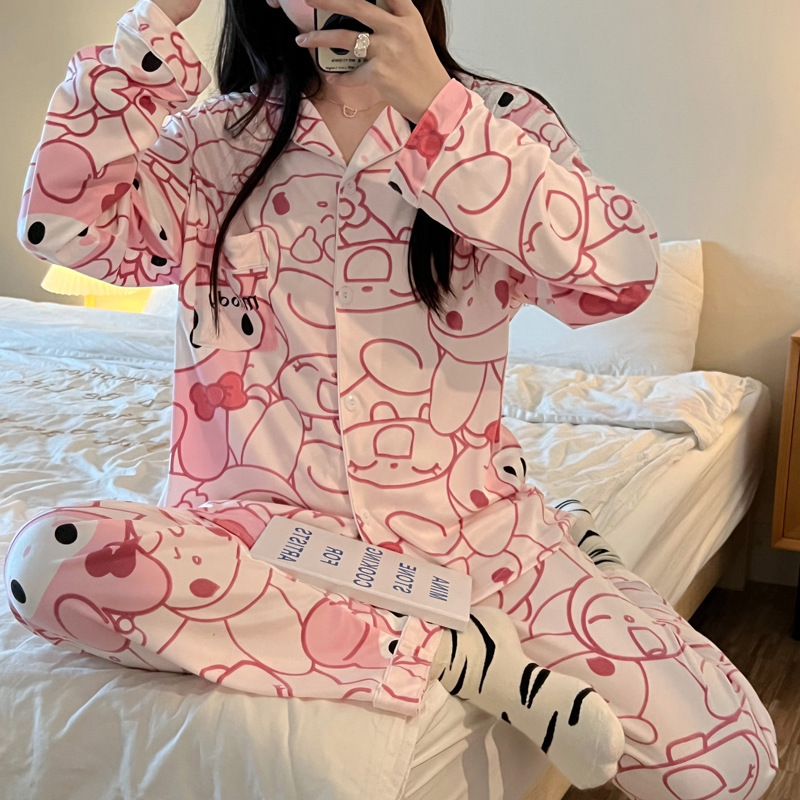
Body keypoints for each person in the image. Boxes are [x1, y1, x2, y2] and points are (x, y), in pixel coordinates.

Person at [5, 0, 777, 796]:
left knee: (731, 764)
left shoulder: (500, 121)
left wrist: (438, 108)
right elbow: (62, 230)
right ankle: (457, 656)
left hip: (473, 538)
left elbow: (621, 277)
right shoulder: (213, 141)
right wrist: (155, 22)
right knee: (50, 558)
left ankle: (583, 550)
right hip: (263, 545)